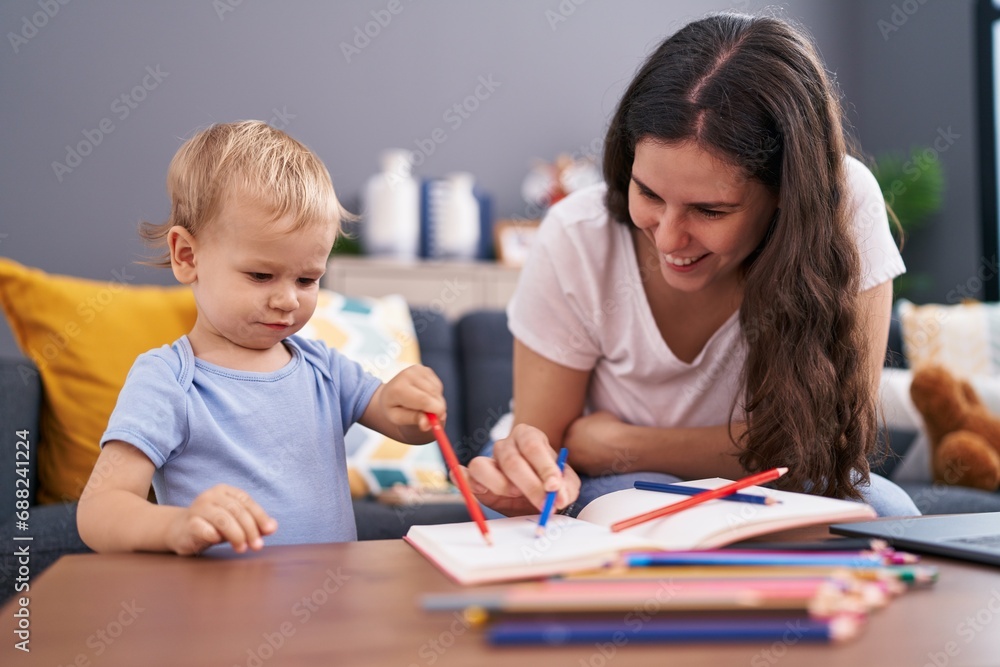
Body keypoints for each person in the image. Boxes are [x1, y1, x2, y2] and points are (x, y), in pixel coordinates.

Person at [466, 12, 920, 518]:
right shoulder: (577, 234)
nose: (668, 236)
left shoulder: (844, 207)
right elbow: (549, 447)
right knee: (657, 503)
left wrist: (624, 443)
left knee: (888, 511)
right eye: (649, 193)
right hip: (604, 479)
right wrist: (551, 467)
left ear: (786, 197)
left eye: (710, 210)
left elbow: (829, 444)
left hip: (744, 472)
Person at [77, 121, 447, 555]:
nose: (287, 299)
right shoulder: (168, 380)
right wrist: (176, 524)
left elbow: (404, 425)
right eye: (261, 275)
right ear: (187, 256)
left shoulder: (323, 367)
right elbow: (98, 510)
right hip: (221, 614)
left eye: (308, 279)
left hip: (327, 605)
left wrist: (411, 406)